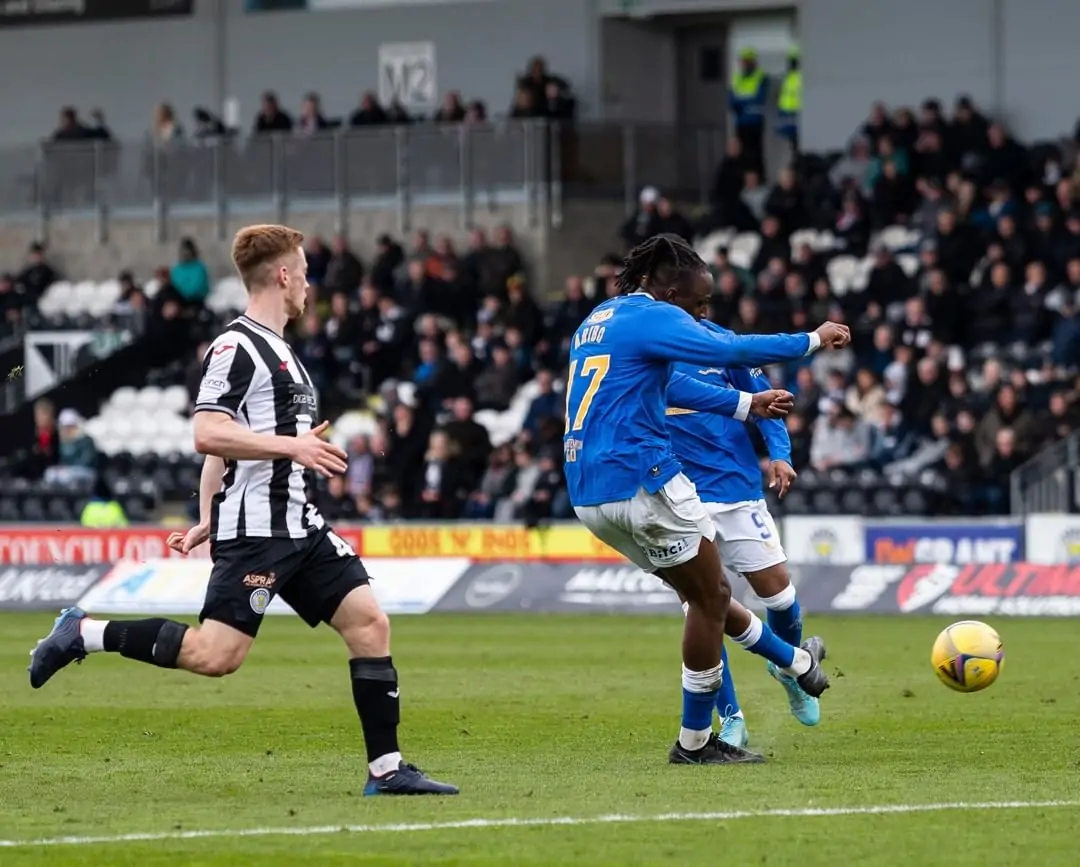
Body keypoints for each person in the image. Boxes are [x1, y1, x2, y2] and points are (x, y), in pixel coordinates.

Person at [28, 224, 457, 797]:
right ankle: (82, 632)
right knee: (216, 656)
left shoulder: (284, 352)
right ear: (282, 275)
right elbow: (208, 433)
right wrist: (288, 450)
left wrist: (210, 513)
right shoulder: (237, 346)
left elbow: (231, 448)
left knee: (369, 623)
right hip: (257, 533)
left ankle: (386, 769)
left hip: (299, 525)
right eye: (303, 273)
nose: (308, 284)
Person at [564, 234, 849, 765]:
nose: (700, 314)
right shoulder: (654, 317)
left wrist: (745, 405)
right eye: (696, 303)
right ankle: (706, 733)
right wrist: (811, 339)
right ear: (670, 293)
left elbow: (670, 389)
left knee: (709, 595)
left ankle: (789, 668)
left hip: (589, 492)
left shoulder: (598, 319)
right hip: (645, 478)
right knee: (709, 599)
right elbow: (731, 351)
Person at [666, 319, 817, 751]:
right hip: (679, 496)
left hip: (736, 490)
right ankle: (731, 718)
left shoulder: (720, 343)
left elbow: (768, 401)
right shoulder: (647, 347)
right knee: (704, 609)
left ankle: (789, 669)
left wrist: (780, 455)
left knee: (781, 597)